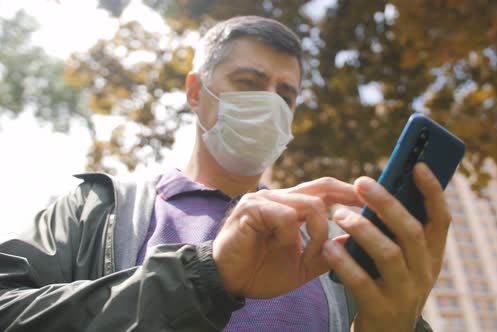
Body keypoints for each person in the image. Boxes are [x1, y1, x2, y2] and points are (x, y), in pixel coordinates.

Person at [0, 16, 450, 331]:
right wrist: (205, 276)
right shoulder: (99, 208)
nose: (271, 103)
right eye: (250, 83)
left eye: (286, 94)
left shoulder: (327, 246)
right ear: (196, 92)